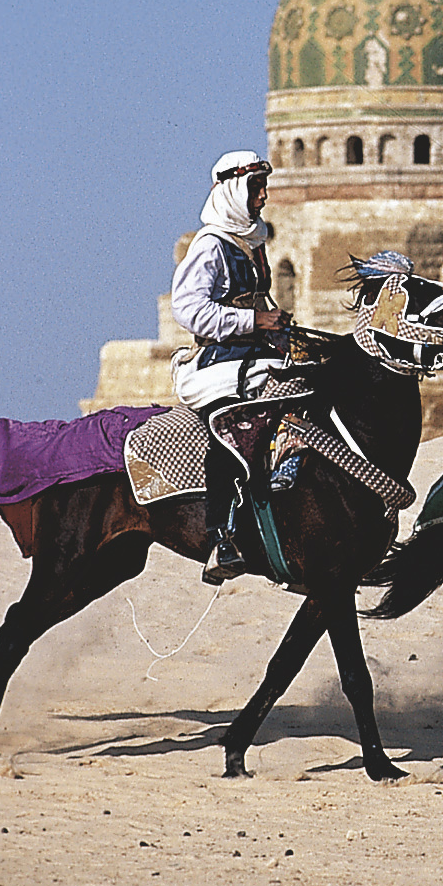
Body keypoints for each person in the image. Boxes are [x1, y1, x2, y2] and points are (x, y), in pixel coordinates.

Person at [170, 150, 289, 584]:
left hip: (259, 356)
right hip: (220, 364)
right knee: (233, 431)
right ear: (234, 192)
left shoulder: (252, 242)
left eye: (264, 187)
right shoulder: (211, 245)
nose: (264, 197)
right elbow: (188, 309)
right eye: (256, 188)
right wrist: (252, 321)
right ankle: (221, 537)